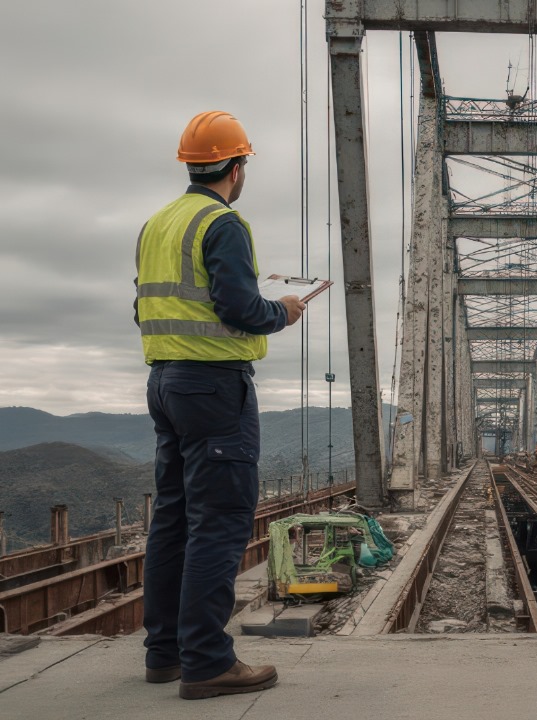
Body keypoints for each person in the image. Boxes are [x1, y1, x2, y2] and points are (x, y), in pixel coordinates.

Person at [135, 111, 303, 700]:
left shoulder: (159, 223)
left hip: (165, 382)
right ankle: (207, 661)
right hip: (213, 387)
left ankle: (165, 654)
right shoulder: (222, 221)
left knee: (175, 519)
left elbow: (146, 307)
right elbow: (237, 307)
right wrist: (282, 310)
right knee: (222, 521)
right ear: (237, 166)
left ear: (190, 163)